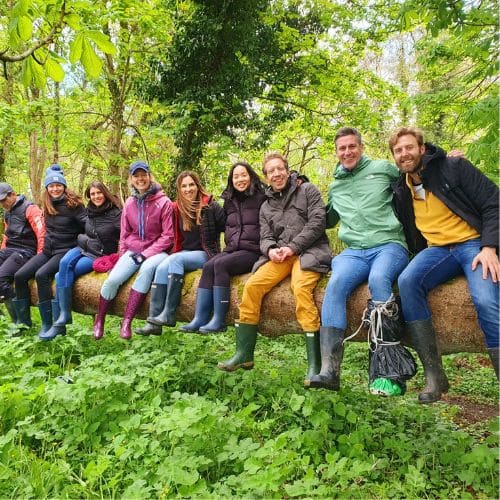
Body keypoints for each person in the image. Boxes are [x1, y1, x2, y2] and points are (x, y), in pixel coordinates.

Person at [389, 127, 499, 403]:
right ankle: (434, 374)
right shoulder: (402, 189)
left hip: (473, 244)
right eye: (398, 150)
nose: (405, 154)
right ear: (394, 157)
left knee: (485, 300)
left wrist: (489, 247)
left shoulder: (453, 167)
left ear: (422, 149)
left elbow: (493, 203)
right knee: (407, 281)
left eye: (409, 147)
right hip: (437, 251)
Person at [309, 127, 412, 396]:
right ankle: (330, 371)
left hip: (389, 244)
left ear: (361, 147)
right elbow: (327, 219)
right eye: (342, 148)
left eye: (352, 146)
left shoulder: (383, 169)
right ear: (336, 152)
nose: (347, 152)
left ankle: (389, 374)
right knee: (336, 284)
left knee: (379, 279)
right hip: (354, 251)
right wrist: (299, 191)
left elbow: (415, 173)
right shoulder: (336, 184)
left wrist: (448, 162)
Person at [218, 152, 332, 389]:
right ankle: (244, 354)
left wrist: (292, 247)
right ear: (266, 176)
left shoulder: (307, 190)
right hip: (282, 256)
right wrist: (270, 250)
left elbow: (317, 222)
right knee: (252, 286)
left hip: (310, 251)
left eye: (280, 169)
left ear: (287, 170)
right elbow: (265, 236)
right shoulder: (266, 205)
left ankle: (315, 366)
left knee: (300, 288)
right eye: (271, 171)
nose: (276, 174)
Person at [135, 171, 226, 335]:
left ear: (197, 186)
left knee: (175, 260)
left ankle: (169, 313)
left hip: (206, 253)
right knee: (162, 267)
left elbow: (229, 227)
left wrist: (229, 252)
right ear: (179, 189)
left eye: (191, 185)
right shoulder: (176, 208)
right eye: (184, 186)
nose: (188, 189)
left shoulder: (210, 205)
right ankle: (154, 321)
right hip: (184, 253)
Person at [179, 162, 266, 334]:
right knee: (209, 265)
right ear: (231, 180)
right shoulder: (229, 201)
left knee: (220, 265)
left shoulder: (262, 197)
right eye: (236, 176)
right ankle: (199, 318)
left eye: (243, 175)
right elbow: (224, 225)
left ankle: (219, 320)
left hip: (253, 250)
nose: (240, 179)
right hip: (233, 249)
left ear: (251, 176)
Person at [93, 160, 174, 341]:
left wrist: (145, 255)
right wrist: (122, 257)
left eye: (143, 175)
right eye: (136, 176)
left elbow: (168, 236)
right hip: (133, 249)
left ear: (149, 176)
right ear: (131, 179)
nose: (140, 179)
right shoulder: (129, 203)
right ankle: (99, 320)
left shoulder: (164, 202)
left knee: (146, 269)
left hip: (157, 251)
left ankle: (127, 321)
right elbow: (124, 233)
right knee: (113, 279)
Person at [40, 181, 122, 340]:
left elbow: (124, 236)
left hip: (98, 254)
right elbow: (83, 228)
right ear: (89, 197)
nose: (96, 196)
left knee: (58, 276)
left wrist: (118, 257)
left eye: (99, 193)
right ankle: (63, 317)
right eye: (92, 194)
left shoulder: (116, 213)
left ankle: (60, 323)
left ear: (105, 193)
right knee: (63, 265)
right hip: (84, 248)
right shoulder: (90, 211)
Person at [13, 165, 87, 337]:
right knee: (20, 276)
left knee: (41, 275)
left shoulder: (74, 205)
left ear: (64, 186)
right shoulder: (46, 204)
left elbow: (88, 227)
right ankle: (23, 322)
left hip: (65, 249)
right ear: (47, 188)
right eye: (51, 186)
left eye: (58, 185)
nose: (55, 188)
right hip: (48, 250)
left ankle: (51, 324)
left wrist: (83, 244)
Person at [0, 182, 45, 323]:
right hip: (9, 250)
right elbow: (7, 236)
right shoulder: (8, 213)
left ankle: (21, 322)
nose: (3, 204)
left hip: (26, 251)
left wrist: (40, 257)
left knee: (0, 279)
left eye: (4, 200)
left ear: (13, 194)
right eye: (0, 202)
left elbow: (41, 233)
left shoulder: (31, 209)